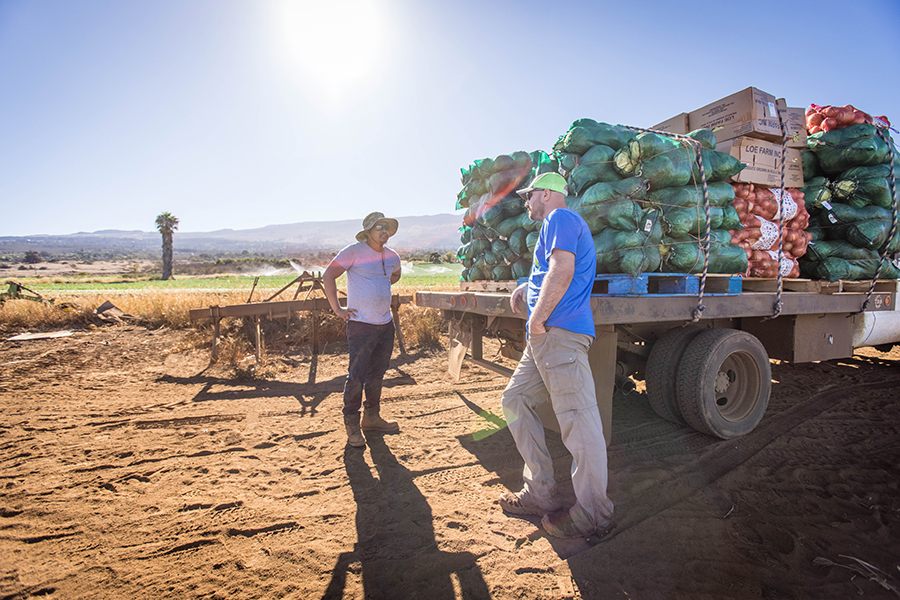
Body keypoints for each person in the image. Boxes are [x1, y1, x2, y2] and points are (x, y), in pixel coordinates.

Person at [498, 172, 615, 539]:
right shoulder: (558, 224)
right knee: (515, 400)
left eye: (529, 196)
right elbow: (556, 269)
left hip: (557, 335)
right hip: (548, 338)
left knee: (579, 423)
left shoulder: (559, 218)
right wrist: (527, 288)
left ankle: (594, 513)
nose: (526, 203)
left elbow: (563, 268)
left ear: (546, 194)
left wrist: (535, 320)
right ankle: (541, 493)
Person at [323, 211, 403, 448]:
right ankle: (352, 425)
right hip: (361, 325)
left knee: (377, 374)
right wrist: (338, 309)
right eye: (379, 227)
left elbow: (395, 275)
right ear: (367, 232)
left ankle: (372, 417)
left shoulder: (392, 256)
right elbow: (329, 276)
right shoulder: (353, 252)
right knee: (356, 375)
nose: (384, 231)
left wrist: (379, 285)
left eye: (386, 227)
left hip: (385, 324)